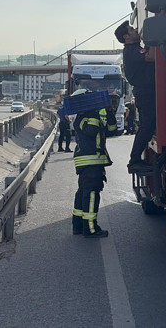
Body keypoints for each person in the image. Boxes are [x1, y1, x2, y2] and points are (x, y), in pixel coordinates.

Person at [70, 89, 113, 238]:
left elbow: (111, 130)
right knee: (91, 194)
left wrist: (110, 112)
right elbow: (91, 132)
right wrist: (94, 114)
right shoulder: (82, 118)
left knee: (83, 193)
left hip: (92, 163)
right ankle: (90, 229)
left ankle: (78, 226)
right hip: (90, 163)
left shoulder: (90, 117)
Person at [114, 21, 155, 173]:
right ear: (126, 36)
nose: (135, 30)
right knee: (147, 126)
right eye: (131, 29)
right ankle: (134, 161)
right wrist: (152, 37)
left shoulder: (133, 49)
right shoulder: (132, 50)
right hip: (146, 92)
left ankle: (136, 159)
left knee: (148, 126)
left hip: (146, 91)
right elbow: (152, 57)